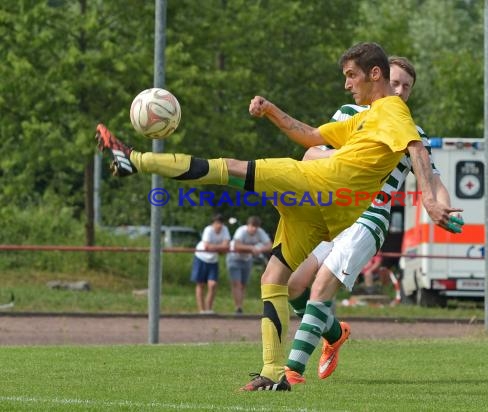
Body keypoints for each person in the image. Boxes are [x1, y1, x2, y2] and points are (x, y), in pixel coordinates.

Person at [95, 42, 461, 391]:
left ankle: (134, 159)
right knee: (275, 277)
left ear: (374, 74)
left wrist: (429, 201)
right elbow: (312, 135)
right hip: (324, 214)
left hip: (316, 187)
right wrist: (271, 111)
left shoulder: (393, 110)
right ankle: (273, 373)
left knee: (231, 168)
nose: (347, 84)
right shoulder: (366, 118)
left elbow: (416, 148)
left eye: (352, 75)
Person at [283, 56, 463, 385]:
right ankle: (334, 334)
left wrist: (444, 209)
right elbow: (309, 154)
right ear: (377, 78)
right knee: (293, 284)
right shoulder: (348, 115)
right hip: (336, 212)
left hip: (370, 216)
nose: (400, 90)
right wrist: (351, 160)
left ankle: (290, 375)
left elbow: (434, 180)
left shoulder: (413, 133)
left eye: (406, 87)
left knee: (320, 288)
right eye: (395, 82)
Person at [226, 216, 272, 314]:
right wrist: (252, 248)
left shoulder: (260, 232)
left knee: (243, 284)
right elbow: (237, 246)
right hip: (234, 259)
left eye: (256, 227)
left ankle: (240, 306)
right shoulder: (241, 231)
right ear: (248, 225)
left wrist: (259, 249)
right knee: (236, 283)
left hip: (247, 260)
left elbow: (269, 245)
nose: (254, 229)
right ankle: (238, 307)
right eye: (252, 226)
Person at [190, 214, 230, 314]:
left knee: (213, 284)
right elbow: (207, 247)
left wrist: (216, 247)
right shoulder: (208, 230)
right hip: (201, 257)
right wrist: (221, 247)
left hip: (213, 260)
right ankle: (201, 310)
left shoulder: (225, 230)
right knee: (200, 284)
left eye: (221, 223)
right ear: (213, 224)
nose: (219, 225)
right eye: (217, 223)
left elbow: (226, 246)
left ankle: (208, 309)